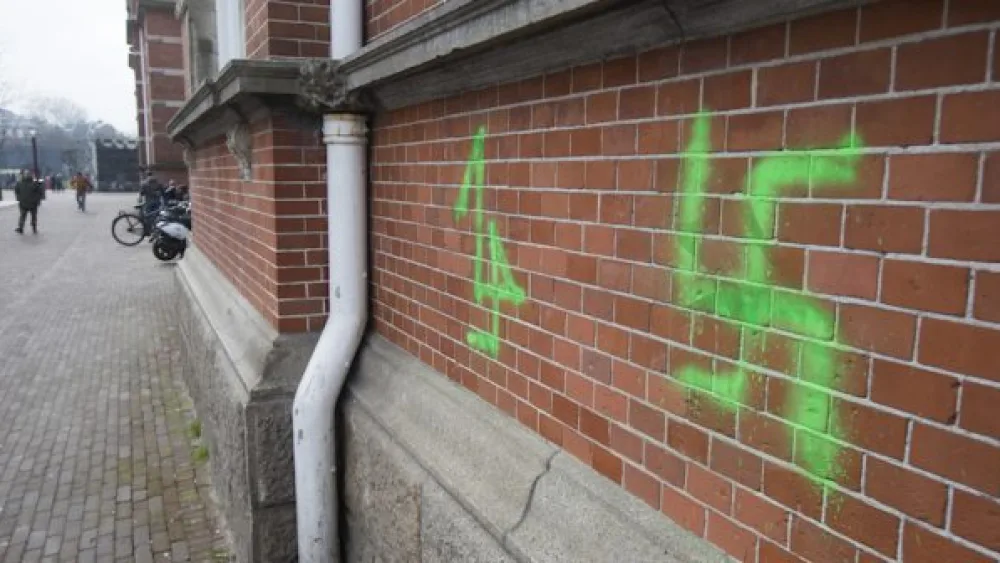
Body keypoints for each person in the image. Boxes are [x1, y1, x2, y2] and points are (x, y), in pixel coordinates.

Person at [14, 169, 43, 234]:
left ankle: (21, 228)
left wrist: (19, 198)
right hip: (32, 203)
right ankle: (34, 228)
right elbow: (39, 192)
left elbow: (16, 191)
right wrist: (37, 200)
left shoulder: (20, 183)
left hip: (23, 203)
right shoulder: (34, 183)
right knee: (33, 216)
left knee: (23, 216)